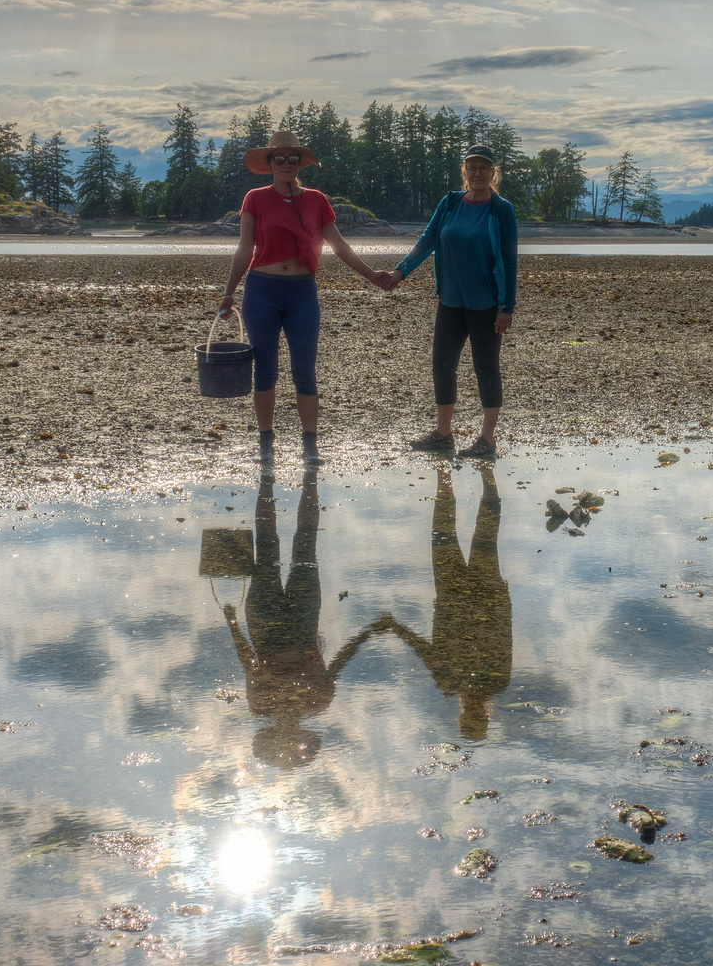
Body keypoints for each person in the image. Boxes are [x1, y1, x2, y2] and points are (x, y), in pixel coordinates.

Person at [218, 129, 396, 460]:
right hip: (261, 291)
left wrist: (372, 275)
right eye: (279, 158)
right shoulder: (254, 198)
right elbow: (245, 248)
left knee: (304, 370)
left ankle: (310, 445)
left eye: (292, 158)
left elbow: (339, 245)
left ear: (300, 163)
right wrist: (229, 293)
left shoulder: (316, 200)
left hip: (302, 292)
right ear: (269, 163)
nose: (286, 163)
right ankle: (266, 442)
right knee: (266, 369)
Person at [215, 466, 391, 767]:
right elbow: (338, 662)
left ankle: (267, 479)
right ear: (302, 734)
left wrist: (232, 624)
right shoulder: (318, 702)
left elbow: (249, 664)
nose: (287, 728)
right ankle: (309, 480)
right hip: (302, 624)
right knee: (305, 547)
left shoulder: (260, 705)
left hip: (266, 625)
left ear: (271, 735)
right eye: (293, 737)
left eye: (280, 736)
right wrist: (365, 633)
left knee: (269, 548)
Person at [387, 143, 518, 460]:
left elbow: (509, 260)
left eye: (483, 168)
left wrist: (507, 307)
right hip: (450, 300)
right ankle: (443, 435)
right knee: (442, 366)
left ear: (492, 173)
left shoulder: (500, 209)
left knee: (486, 368)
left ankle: (487, 440)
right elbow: (427, 240)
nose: (477, 173)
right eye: (471, 167)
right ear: (464, 171)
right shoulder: (449, 203)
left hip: (486, 304)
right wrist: (399, 272)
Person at [380, 463, 512, 739]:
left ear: (461, 715)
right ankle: (475, 476)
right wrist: (502, 597)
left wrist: (396, 628)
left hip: (457, 596)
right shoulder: (489, 682)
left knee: (459, 534)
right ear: (485, 716)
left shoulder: (450, 682)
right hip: (478, 595)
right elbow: (503, 637)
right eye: (478, 717)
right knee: (469, 535)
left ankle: (451, 476)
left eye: (469, 717)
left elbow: (424, 649)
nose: (473, 710)